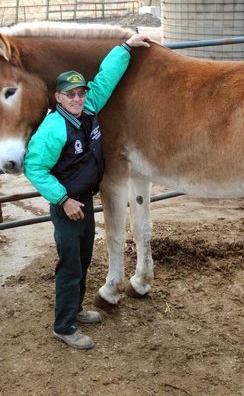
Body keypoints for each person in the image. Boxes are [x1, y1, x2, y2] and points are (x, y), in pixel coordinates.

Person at [24, 33, 151, 350]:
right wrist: (62, 199)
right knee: (69, 266)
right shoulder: (53, 128)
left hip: (83, 202)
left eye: (81, 93)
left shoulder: (89, 109)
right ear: (59, 98)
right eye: (71, 95)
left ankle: (76, 310)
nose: (78, 99)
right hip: (68, 206)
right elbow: (34, 168)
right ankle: (64, 327)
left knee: (82, 259)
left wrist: (125, 48)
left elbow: (105, 78)